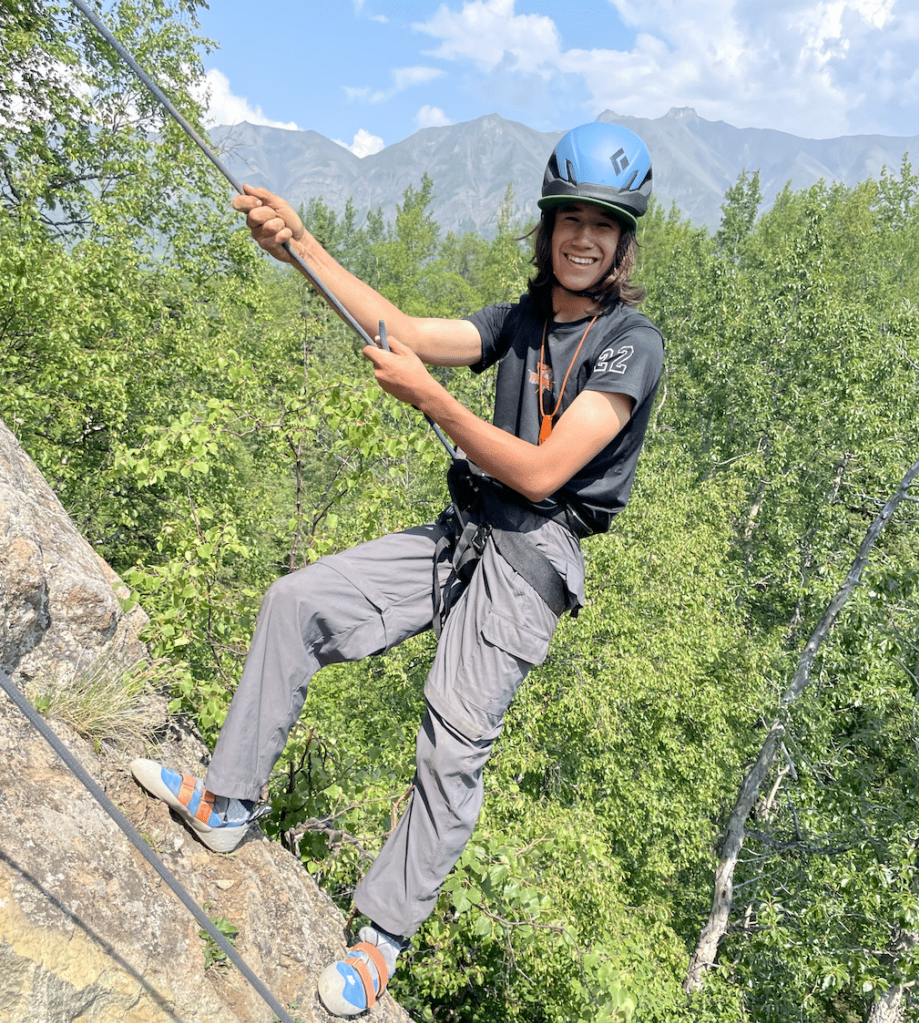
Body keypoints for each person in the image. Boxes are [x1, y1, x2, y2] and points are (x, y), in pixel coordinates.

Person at [131, 121, 663, 1016]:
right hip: (466, 527)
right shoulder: (522, 320)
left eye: (601, 225)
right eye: (569, 218)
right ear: (547, 228)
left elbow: (538, 471)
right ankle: (228, 801)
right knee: (298, 600)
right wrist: (300, 248)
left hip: (530, 556)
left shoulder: (628, 345)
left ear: (622, 240)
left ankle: (377, 943)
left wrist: (432, 399)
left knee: (450, 745)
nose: (582, 237)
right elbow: (404, 329)